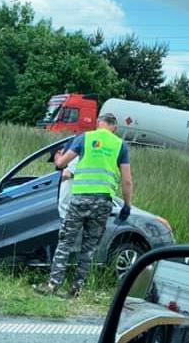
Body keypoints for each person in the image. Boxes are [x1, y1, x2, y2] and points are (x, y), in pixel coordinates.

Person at [34, 113, 132, 298]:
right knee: (89, 247)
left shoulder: (85, 138)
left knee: (65, 241)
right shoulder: (121, 145)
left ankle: (53, 285)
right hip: (103, 202)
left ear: (98, 124)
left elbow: (62, 164)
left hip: (80, 199)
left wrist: (57, 155)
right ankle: (76, 289)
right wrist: (127, 205)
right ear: (115, 128)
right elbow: (127, 181)